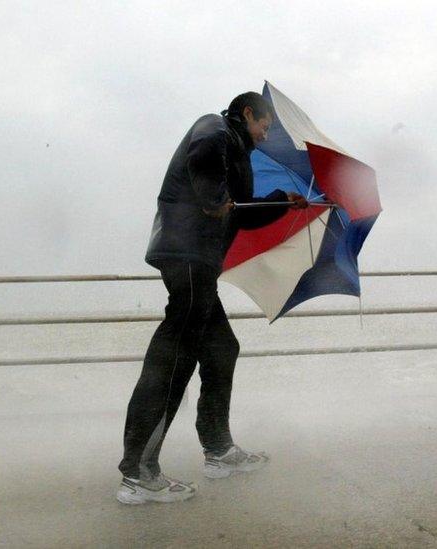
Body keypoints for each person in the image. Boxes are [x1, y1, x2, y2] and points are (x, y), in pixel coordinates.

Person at [116, 91, 308, 505]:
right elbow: (209, 177)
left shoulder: (236, 150)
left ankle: (218, 451)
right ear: (247, 113)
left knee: (222, 347)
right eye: (264, 125)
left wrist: (283, 204)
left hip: (200, 258)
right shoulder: (215, 128)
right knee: (175, 356)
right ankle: (138, 473)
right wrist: (211, 197)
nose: (265, 134)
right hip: (185, 252)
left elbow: (237, 209)